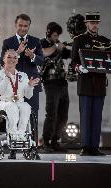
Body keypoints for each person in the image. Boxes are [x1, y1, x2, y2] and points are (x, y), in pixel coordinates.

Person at [70, 12, 111, 156]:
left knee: (97, 116)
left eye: (97, 22)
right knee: (86, 115)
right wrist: (79, 68)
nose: (94, 25)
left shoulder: (105, 41)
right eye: (92, 23)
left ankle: (94, 146)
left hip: (99, 83)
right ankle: (85, 147)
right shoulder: (79, 40)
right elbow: (74, 61)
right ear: (86, 24)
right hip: (85, 83)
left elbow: (109, 60)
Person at [0, 49, 40, 159]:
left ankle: (21, 134)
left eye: (15, 57)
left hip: (19, 101)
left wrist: (30, 85)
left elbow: (28, 95)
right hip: (3, 102)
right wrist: (6, 78)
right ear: (4, 59)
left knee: (26, 106)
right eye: (9, 57)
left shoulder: (23, 75)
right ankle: (13, 134)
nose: (12, 60)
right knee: (12, 107)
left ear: (17, 61)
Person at [1, 13, 44, 119]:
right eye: (20, 25)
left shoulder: (35, 41)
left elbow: (41, 61)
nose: (23, 28)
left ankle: (32, 136)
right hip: (14, 86)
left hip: (32, 84)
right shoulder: (8, 42)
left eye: (26, 26)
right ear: (16, 25)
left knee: (32, 117)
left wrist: (33, 56)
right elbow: (3, 63)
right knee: (14, 118)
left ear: (29, 26)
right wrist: (17, 52)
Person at [40, 22, 71, 152]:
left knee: (63, 115)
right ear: (48, 33)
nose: (56, 37)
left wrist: (74, 46)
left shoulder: (58, 44)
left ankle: (55, 141)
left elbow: (69, 54)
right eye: (54, 35)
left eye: (57, 35)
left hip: (62, 82)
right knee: (51, 113)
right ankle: (46, 141)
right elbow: (42, 53)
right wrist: (56, 46)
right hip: (50, 82)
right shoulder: (42, 43)